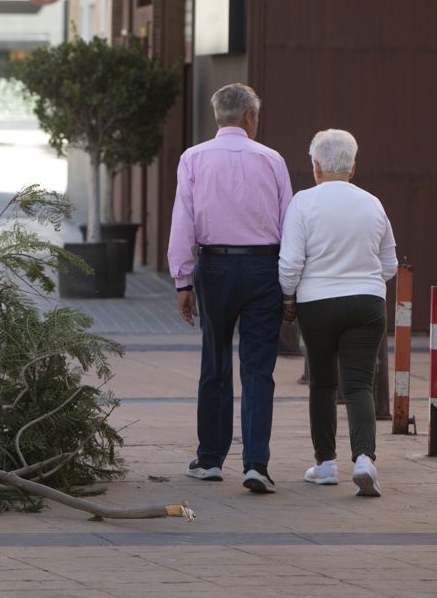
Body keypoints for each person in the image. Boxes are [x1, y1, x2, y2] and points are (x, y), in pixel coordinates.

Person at [168, 83, 293, 493]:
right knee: (258, 368)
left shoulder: (193, 158)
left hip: (215, 266)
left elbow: (183, 222)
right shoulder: (272, 159)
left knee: (215, 361)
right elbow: (289, 222)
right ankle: (256, 463)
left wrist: (182, 280)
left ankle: (209, 459)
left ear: (217, 116)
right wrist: (290, 284)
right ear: (250, 118)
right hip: (263, 268)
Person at [279, 129, 396, 497]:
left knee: (324, 384)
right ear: (353, 166)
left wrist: (288, 297)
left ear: (315, 167)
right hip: (366, 303)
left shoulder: (303, 202)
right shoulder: (373, 203)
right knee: (359, 385)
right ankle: (364, 459)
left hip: (317, 304)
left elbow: (290, 263)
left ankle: (326, 464)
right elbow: (389, 262)